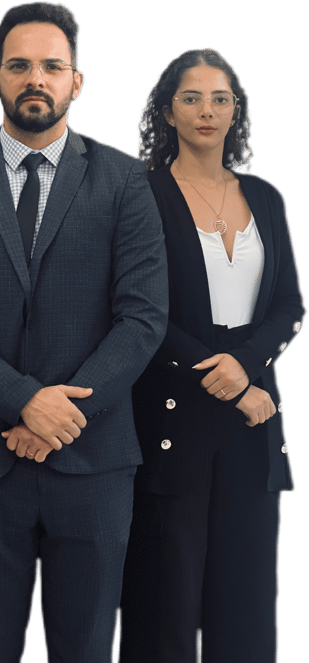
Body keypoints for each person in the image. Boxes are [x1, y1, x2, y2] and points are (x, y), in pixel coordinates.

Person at [0, 2, 168, 661]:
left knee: (86, 648)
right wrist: (25, 401)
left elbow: (142, 316)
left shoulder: (126, 182)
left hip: (94, 462)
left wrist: (59, 415)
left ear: (76, 81)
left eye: (52, 66)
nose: (35, 78)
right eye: (18, 65)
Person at [119, 48, 306, 663]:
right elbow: (135, 310)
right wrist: (227, 379)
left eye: (221, 99)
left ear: (236, 111)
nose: (207, 110)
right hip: (171, 414)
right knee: (164, 605)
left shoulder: (266, 197)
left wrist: (246, 369)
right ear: (166, 112)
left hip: (254, 418)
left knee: (247, 605)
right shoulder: (140, 194)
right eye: (192, 98)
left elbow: (290, 303)